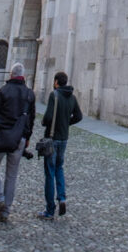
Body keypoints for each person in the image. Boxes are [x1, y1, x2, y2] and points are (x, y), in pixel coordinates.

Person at [0, 62, 35, 223]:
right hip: (19, 139)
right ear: (23, 76)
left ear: (11, 74)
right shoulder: (29, 94)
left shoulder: (3, 91)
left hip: (1, 136)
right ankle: (5, 211)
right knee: (12, 175)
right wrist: (27, 137)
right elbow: (31, 119)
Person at [37, 70, 83, 220]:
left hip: (52, 138)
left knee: (50, 172)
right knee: (59, 168)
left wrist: (44, 122)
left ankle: (50, 210)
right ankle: (62, 198)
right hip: (64, 138)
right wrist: (66, 123)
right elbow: (79, 116)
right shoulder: (72, 97)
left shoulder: (54, 95)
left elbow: (48, 117)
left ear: (56, 82)